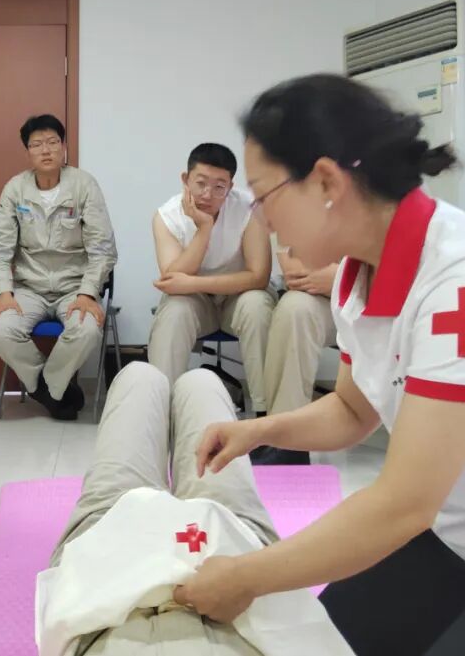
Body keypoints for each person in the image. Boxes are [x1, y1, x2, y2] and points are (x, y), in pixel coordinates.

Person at [176, 74, 465, 656]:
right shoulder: (356, 279)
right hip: (458, 539)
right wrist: (260, 430)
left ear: (327, 182)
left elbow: (404, 501)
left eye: (264, 196)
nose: (263, 220)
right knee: (318, 640)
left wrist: (245, 577)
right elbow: (354, 411)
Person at [36, 362, 353, 656]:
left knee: (140, 377)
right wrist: (250, 574)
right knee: (199, 382)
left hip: (105, 556)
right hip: (235, 548)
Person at [0, 114, 117, 421]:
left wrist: (88, 293)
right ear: (27, 152)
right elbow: (0, 250)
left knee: (87, 330)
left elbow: (103, 249)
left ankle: (45, 386)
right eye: (37, 144)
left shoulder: (84, 185)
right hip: (29, 288)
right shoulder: (15, 189)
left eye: (52, 142)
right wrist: (4, 293)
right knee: (0, 330)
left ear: (64, 147)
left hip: (75, 287)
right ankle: (53, 390)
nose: (45, 150)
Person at [147, 143, 276, 410]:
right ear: (186, 179)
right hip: (195, 301)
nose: (208, 194)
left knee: (257, 305)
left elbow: (259, 277)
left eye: (219, 187)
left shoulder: (250, 209)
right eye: (201, 183)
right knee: (174, 311)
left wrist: (193, 283)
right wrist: (204, 229)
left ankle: (265, 412)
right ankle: (163, 409)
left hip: (238, 298)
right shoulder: (166, 216)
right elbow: (173, 279)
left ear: (230, 186)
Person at [251, 240, 339, 465]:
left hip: (384, 303)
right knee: (295, 308)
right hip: (330, 300)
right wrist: (345, 277)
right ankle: (286, 442)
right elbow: (296, 273)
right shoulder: (296, 215)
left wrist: (340, 276)